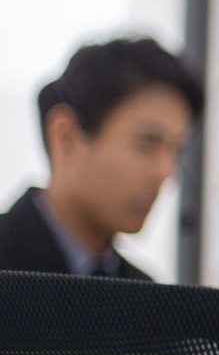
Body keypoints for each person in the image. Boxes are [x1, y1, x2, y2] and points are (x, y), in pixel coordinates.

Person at [0, 36, 201, 278]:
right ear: (66, 137)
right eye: (147, 143)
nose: (166, 172)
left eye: (176, 150)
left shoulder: (147, 296)